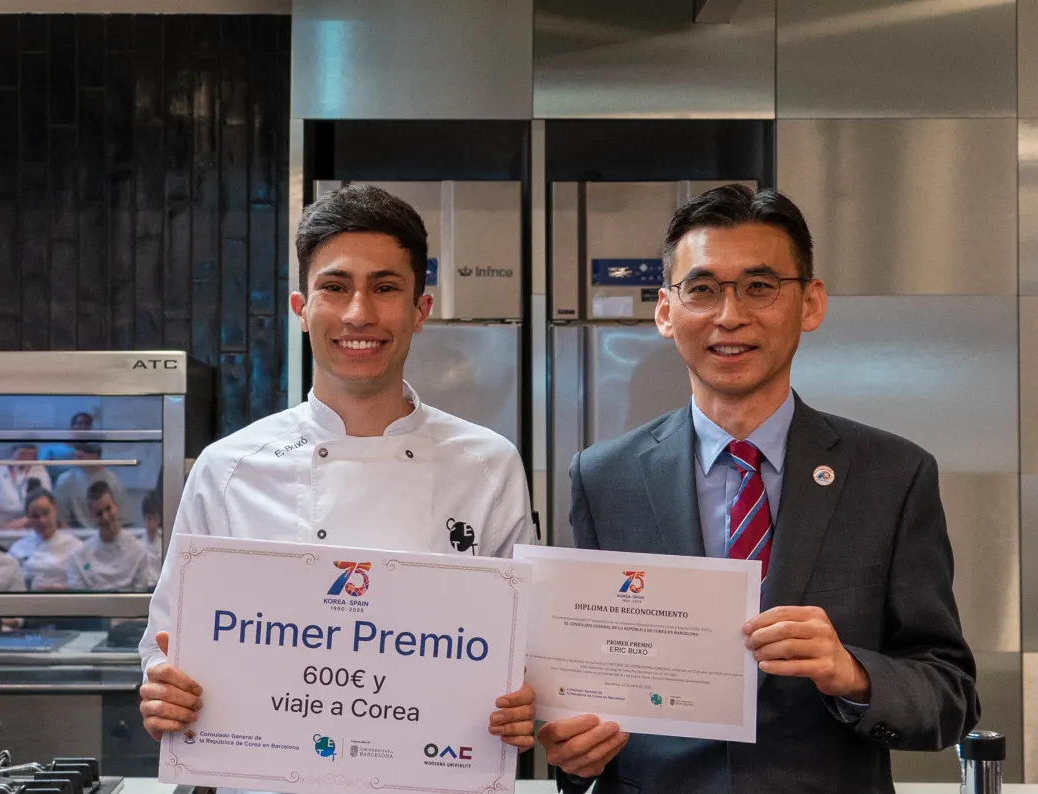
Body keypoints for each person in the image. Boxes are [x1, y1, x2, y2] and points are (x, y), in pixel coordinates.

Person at [542, 185, 978, 793]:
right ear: (665, 311)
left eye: (759, 286)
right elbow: (586, 678)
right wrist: (571, 748)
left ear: (811, 303)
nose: (729, 316)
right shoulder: (603, 476)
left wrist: (852, 673)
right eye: (701, 289)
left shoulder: (892, 476)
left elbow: (949, 695)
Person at [136, 183, 538, 768]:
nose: (359, 314)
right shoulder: (228, 469)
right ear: (302, 309)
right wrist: (162, 693)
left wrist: (528, 699)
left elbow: (525, 654)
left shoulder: (487, 465)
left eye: (385, 288)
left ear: (420, 310)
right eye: (335, 287)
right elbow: (165, 649)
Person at [67, 481, 154, 591]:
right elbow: (79, 604)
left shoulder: (138, 552)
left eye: (108, 509)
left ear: (116, 505)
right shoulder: (78, 558)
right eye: (99, 513)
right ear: (91, 516)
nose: (106, 517)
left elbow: (140, 600)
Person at [7, 489, 83, 591]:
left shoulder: (75, 547)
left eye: (46, 513)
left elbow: (84, 587)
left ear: (55, 509)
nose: (42, 521)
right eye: (35, 516)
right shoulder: (18, 548)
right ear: (28, 517)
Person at [0, 443, 53, 528]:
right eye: (23, 454)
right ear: (13, 451)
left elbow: (46, 505)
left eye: (31, 455)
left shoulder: (39, 471)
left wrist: (25, 520)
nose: (27, 459)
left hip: (30, 527)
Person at [53, 443, 128, 529]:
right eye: (77, 449)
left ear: (96, 454)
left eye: (85, 450)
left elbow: (119, 518)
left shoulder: (113, 480)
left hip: (107, 532)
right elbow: (61, 520)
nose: (78, 454)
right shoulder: (65, 480)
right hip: (76, 536)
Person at [41, 412, 95, 481]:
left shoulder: (92, 453)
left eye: (87, 424)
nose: (83, 427)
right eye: (80, 423)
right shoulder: (50, 451)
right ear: (72, 427)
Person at [140, 489, 163, 586]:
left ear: (160, 518)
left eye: (155, 518)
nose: (152, 524)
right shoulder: (138, 546)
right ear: (144, 518)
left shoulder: (166, 543)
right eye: (149, 518)